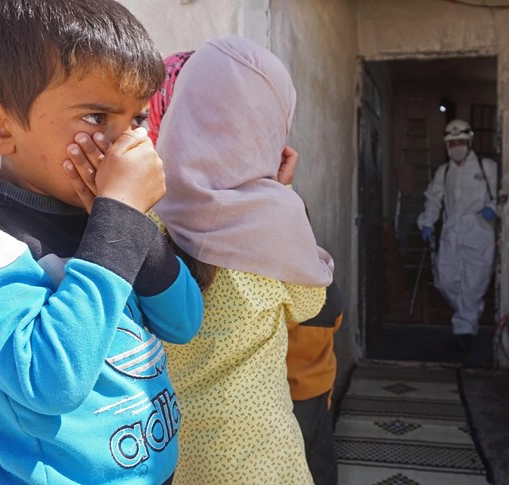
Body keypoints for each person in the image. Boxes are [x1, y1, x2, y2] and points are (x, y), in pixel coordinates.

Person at [0, 1, 204, 484]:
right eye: (97, 116)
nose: (127, 145)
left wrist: (127, 221)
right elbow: (50, 381)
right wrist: (118, 217)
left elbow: (184, 321)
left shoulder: (105, 214)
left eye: (139, 119)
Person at [149, 38, 334, 484]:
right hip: (259, 459)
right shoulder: (274, 222)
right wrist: (278, 193)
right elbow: (310, 305)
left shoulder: (142, 209)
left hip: (168, 455)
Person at [417, 119, 497, 350]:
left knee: (473, 285)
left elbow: (504, 194)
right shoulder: (445, 171)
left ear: (469, 142)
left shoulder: (486, 167)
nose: (457, 147)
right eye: (452, 143)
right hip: (451, 234)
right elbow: (433, 199)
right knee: (445, 279)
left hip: (479, 234)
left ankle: (465, 330)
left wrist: (493, 209)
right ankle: (468, 311)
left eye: (461, 142)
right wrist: (427, 223)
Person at [287, 269, 343, 485]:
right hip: (318, 389)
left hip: (278, 394)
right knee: (319, 459)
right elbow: (337, 318)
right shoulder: (322, 283)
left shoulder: (271, 285)